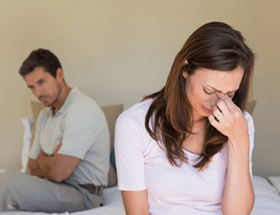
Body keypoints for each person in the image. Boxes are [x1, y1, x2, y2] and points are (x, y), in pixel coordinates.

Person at [115, 22, 255, 215]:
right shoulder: (134, 124)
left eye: (229, 94)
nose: (217, 103)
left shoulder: (238, 123)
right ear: (186, 69)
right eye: (208, 90)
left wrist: (240, 139)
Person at [0, 49, 110, 213]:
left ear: (59, 74)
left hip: (83, 195)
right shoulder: (44, 115)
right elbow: (32, 166)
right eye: (32, 87)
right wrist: (51, 161)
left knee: (6, 182)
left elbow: (58, 172)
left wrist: (42, 158)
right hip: (54, 186)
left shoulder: (82, 109)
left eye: (41, 82)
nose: (37, 93)